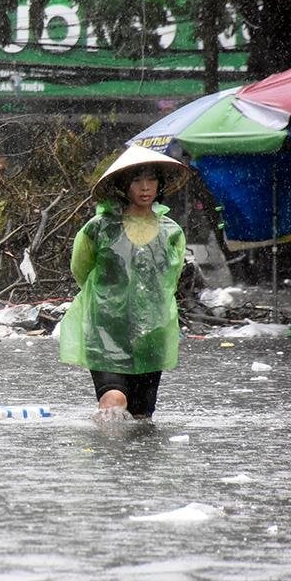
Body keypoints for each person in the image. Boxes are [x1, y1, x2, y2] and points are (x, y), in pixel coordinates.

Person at [58, 146, 189, 421]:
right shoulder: (100, 227)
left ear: (159, 184)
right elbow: (81, 269)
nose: (145, 188)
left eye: (151, 179)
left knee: (142, 416)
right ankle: (107, 461)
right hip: (107, 331)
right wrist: (112, 299)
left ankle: (137, 464)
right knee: (114, 401)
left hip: (152, 334)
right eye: (136, 180)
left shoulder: (172, 232)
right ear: (123, 185)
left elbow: (169, 281)